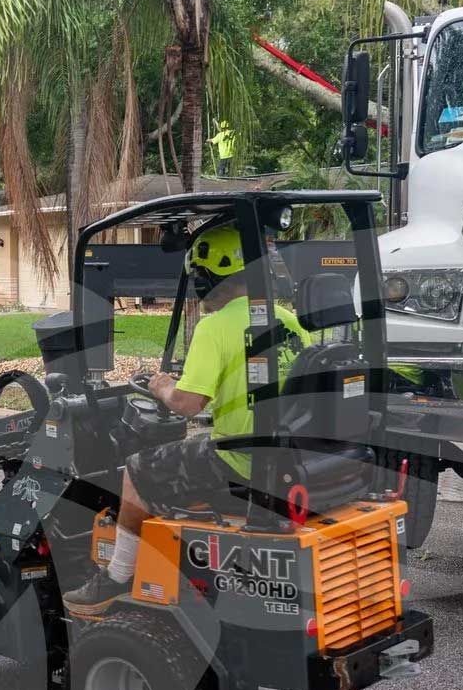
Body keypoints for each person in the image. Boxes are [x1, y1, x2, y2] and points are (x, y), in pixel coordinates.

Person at [63, 222, 307, 615]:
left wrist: (162, 388)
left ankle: (116, 575)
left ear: (207, 277)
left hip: (239, 459)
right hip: (287, 457)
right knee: (178, 459)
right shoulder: (288, 320)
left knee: (139, 469)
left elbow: (188, 404)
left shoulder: (215, 327)